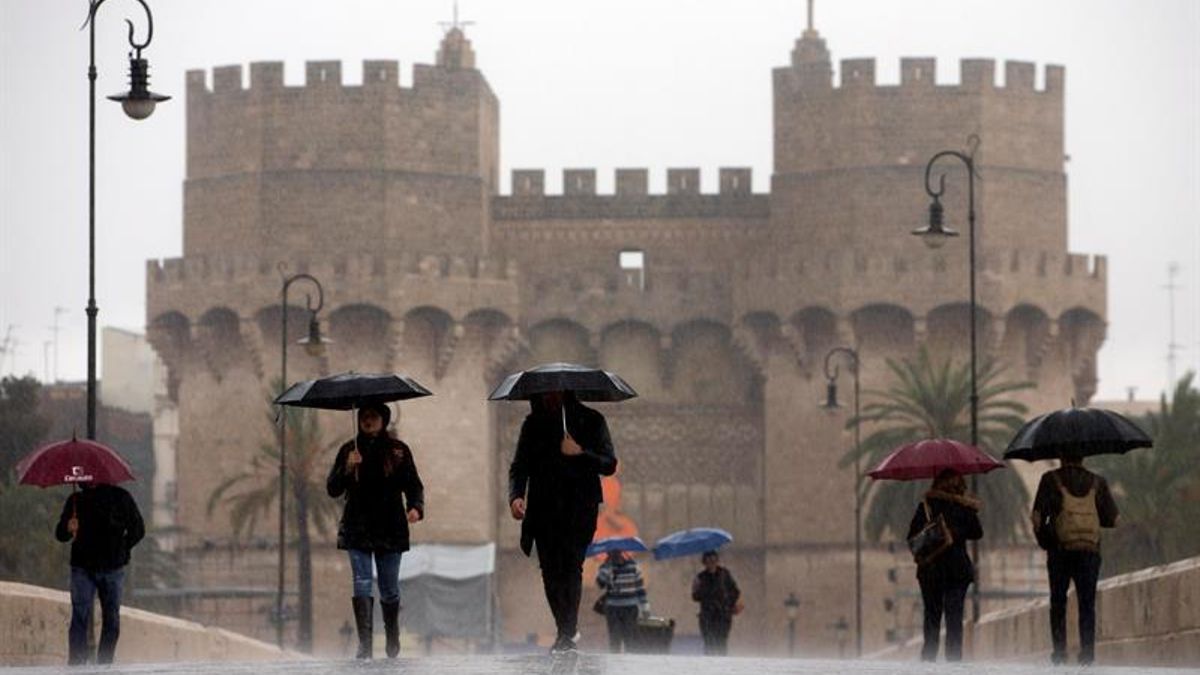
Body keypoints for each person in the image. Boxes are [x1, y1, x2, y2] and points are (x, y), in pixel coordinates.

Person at [508, 390, 617, 654]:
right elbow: (519, 466)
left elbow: (609, 463)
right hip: (543, 509)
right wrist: (516, 496)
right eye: (544, 394)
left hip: (579, 508)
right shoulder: (533, 425)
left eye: (554, 393)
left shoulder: (591, 420)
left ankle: (567, 631)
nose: (549, 398)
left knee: (571, 567)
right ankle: (564, 628)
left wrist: (580, 453)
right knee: (550, 571)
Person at [327, 403, 424, 660]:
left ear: (384, 420)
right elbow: (333, 488)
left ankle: (392, 637)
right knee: (361, 582)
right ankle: (365, 644)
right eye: (364, 417)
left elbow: (414, 485)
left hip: (390, 527)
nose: (368, 421)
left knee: (389, 588)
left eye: (373, 417)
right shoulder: (349, 450)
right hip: (357, 526)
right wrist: (347, 467)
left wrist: (415, 507)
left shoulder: (398, 451)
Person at [1031, 448, 1118, 666]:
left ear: (1061, 456)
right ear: (1083, 457)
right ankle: (1087, 655)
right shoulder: (1098, 482)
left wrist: (1046, 542)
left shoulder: (1050, 480)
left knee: (1058, 602)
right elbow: (1113, 519)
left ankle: (1060, 654)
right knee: (1087, 604)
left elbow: (1037, 517)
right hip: (1089, 552)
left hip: (1060, 552)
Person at [54, 481, 145, 665]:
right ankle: (77, 664)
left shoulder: (120, 498)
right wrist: (68, 528)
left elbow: (138, 529)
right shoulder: (75, 501)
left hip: (112, 568)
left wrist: (122, 549)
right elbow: (60, 535)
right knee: (80, 615)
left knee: (110, 618)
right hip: (82, 568)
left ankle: (105, 663)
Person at [906, 468, 982, 662]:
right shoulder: (962, 507)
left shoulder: (926, 507)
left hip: (931, 571)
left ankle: (928, 659)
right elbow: (977, 532)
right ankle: (954, 662)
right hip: (956, 571)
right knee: (954, 619)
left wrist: (935, 533)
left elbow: (912, 539)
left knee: (932, 618)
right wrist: (956, 530)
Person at [595, 551, 650, 653]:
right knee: (615, 639)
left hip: (630, 607)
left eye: (617, 552)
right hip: (613, 608)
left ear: (621, 553)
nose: (615, 555)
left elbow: (640, 588)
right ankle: (615, 662)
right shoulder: (605, 566)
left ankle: (629, 663)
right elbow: (600, 584)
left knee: (630, 638)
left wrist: (645, 606)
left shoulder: (633, 567)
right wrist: (607, 571)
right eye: (612, 553)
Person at [691, 550, 741, 655]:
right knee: (709, 643)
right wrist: (696, 588)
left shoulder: (724, 574)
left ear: (717, 560)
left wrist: (729, 603)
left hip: (723, 615)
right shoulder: (701, 577)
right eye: (708, 560)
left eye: (714, 560)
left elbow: (735, 591)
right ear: (704, 562)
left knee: (721, 642)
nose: (711, 563)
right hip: (707, 616)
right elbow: (696, 597)